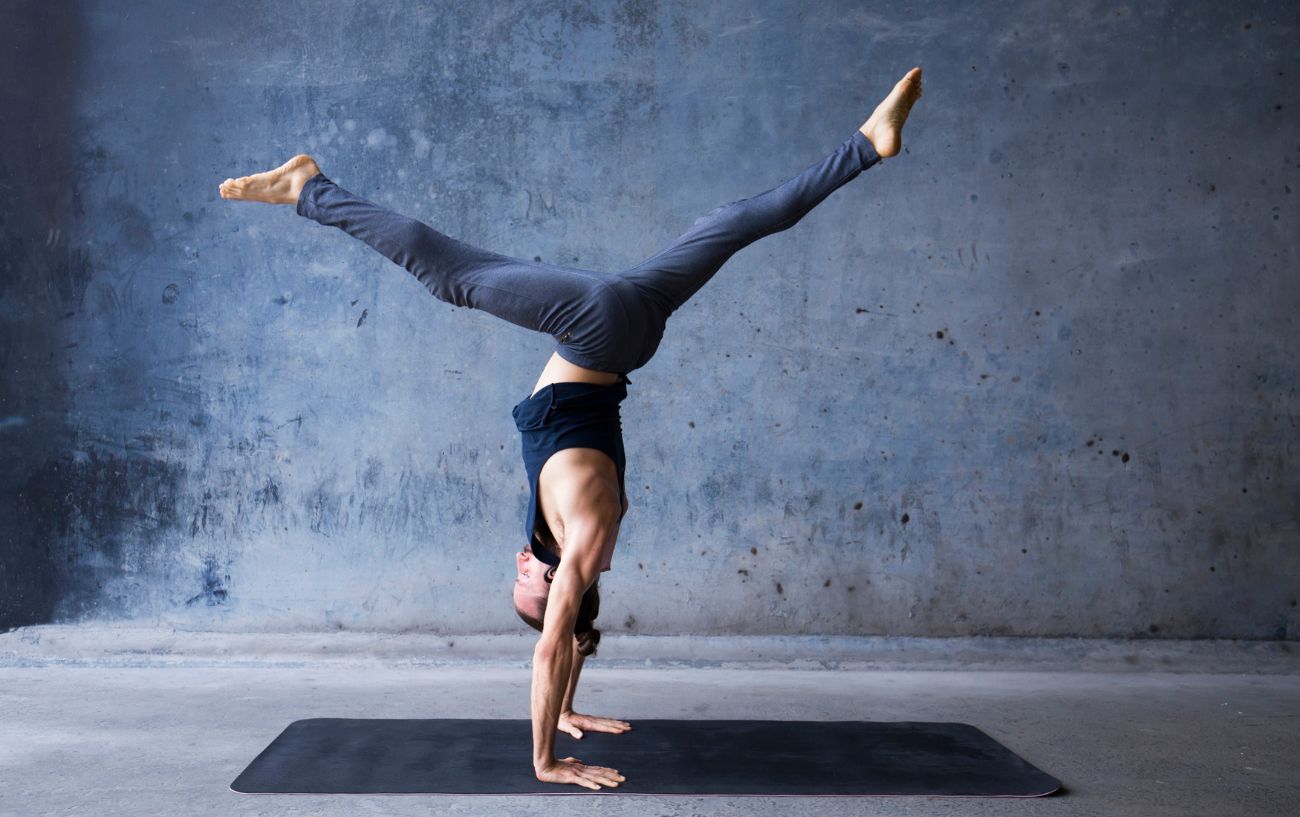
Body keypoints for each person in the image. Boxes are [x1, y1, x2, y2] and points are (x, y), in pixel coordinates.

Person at [219, 67, 923, 791]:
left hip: (630, 335)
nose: (520, 567)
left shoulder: (582, 550)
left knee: (729, 226)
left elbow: (575, 628)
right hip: (596, 330)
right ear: (557, 580)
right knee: (450, 275)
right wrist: (545, 759)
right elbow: (556, 637)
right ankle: (308, 186)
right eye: (531, 583)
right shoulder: (584, 535)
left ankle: (867, 145)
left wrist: (568, 707)